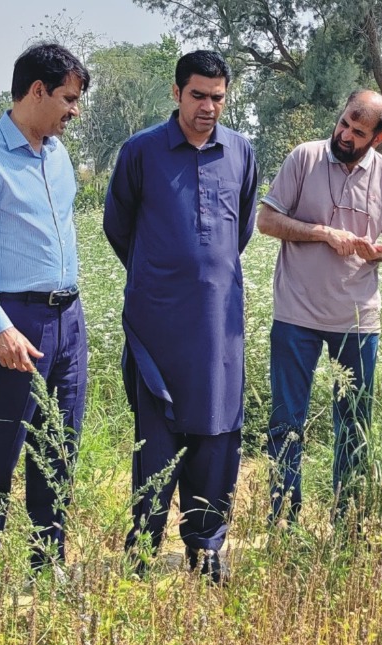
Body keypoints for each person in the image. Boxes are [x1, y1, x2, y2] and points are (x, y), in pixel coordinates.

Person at [104, 50, 259, 583]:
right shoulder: (141, 151)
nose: (208, 107)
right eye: (198, 96)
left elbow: (239, 231)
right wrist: (162, 274)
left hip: (218, 324)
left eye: (218, 97)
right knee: (157, 434)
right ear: (176, 93)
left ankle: (206, 547)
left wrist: (204, 275)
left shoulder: (240, 151)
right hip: (155, 323)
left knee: (217, 434)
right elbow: (118, 226)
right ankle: (143, 547)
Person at [0, 44, 90, 574]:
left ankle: (46, 562)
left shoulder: (58, 153)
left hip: (67, 320)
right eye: (68, 99)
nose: (75, 110)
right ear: (36, 91)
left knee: (60, 446)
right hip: (12, 321)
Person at [256, 90, 382, 525]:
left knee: (354, 424)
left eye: (358, 132)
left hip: (358, 319)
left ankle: (349, 520)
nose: (344, 134)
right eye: (344, 123)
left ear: (377, 139)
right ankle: (284, 519)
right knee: (286, 422)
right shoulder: (304, 158)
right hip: (296, 315)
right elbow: (266, 220)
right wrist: (323, 233)